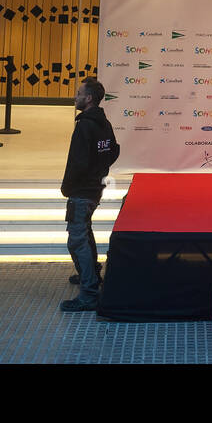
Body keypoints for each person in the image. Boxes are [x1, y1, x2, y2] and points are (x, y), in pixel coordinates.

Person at [60, 77, 120, 313]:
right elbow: (113, 150)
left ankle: (89, 293)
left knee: (76, 239)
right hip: (94, 188)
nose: (75, 97)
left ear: (89, 98)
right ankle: (92, 274)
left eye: (79, 94)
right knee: (84, 231)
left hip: (82, 191)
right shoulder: (103, 122)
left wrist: (69, 187)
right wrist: (100, 171)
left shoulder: (85, 125)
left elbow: (77, 162)